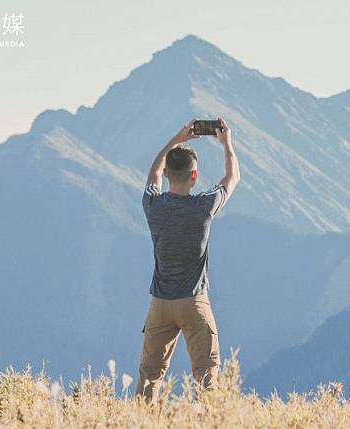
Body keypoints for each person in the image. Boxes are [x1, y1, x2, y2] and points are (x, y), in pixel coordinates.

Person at [134, 117, 240, 403]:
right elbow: (232, 178)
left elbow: (153, 172)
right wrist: (226, 143)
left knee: (149, 376)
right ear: (194, 177)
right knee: (207, 377)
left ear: (168, 173)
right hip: (194, 302)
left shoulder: (152, 206)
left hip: (159, 304)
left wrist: (178, 138)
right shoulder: (204, 207)